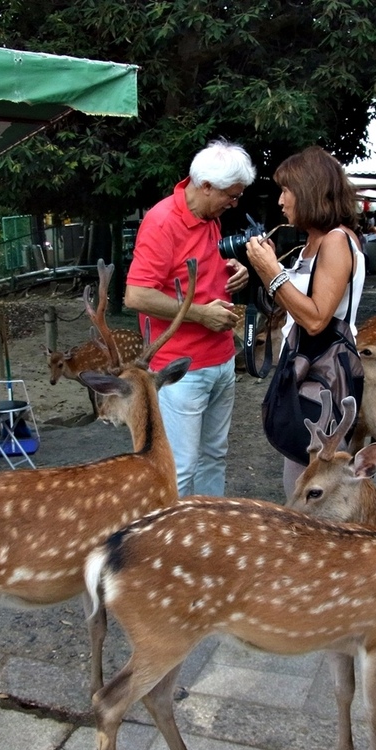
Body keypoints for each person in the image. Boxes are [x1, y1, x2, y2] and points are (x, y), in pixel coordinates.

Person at [124, 139, 255, 497]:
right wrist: (200, 315)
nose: (235, 203)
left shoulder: (208, 217)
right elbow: (136, 295)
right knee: (180, 466)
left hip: (221, 359)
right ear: (206, 185)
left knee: (215, 456)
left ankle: (206, 534)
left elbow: (195, 276)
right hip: (181, 369)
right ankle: (171, 545)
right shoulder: (162, 221)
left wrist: (236, 271)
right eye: (231, 194)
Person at [246, 146, 366, 497]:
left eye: (287, 191)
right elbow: (296, 305)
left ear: (309, 190)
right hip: (304, 373)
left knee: (310, 488)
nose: (281, 201)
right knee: (300, 478)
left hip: (323, 379)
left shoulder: (335, 241)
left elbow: (315, 319)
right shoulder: (312, 243)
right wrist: (260, 274)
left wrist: (271, 273)